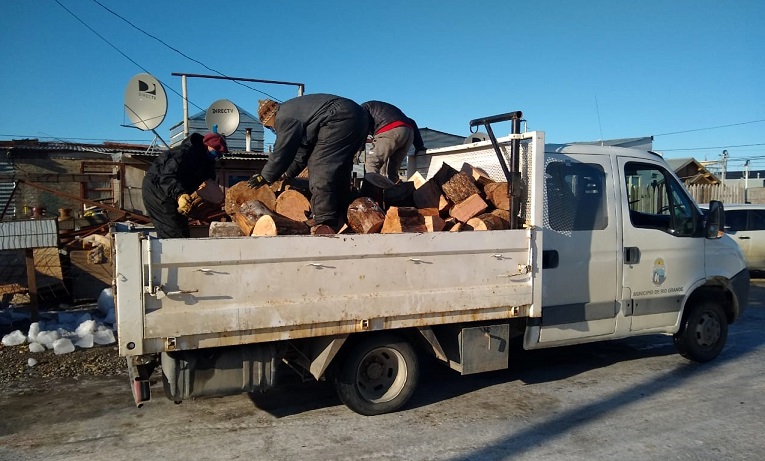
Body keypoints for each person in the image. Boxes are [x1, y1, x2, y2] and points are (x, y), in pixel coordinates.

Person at [248, 94, 368, 231]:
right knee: (340, 168)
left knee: (319, 164)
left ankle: (324, 218)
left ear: (270, 119)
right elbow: (301, 154)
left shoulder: (283, 117)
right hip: (357, 117)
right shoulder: (300, 115)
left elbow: (282, 150)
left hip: (339, 117)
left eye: (269, 127)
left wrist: (265, 175)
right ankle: (343, 211)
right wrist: (287, 174)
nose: (273, 130)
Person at [142, 132, 228, 238]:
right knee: (172, 232)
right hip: (158, 191)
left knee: (182, 231)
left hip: (172, 191)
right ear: (207, 145)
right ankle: (172, 254)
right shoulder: (184, 153)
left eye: (219, 154)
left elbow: (208, 179)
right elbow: (166, 176)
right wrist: (180, 195)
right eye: (216, 152)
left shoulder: (206, 161)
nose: (217, 157)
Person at [361, 100, 426, 182]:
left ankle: (370, 193)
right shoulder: (377, 109)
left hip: (390, 129)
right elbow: (412, 121)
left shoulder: (361, 110)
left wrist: (361, 145)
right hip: (409, 132)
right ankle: (395, 192)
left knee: (372, 164)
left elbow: (362, 128)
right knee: (391, 172)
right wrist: (419, 146)